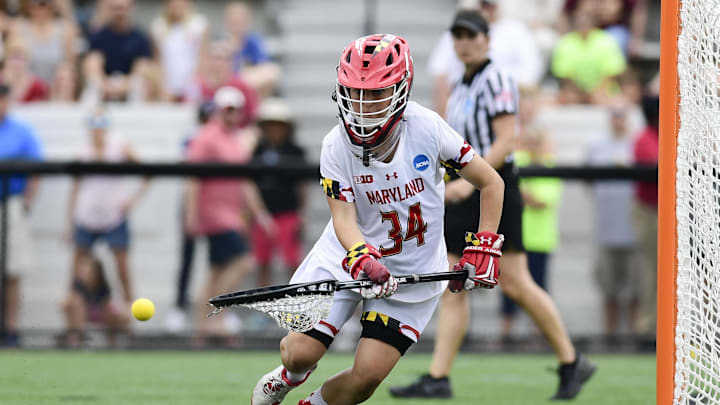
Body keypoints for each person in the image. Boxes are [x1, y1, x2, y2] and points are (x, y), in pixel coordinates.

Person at [251, 33, 505, 405]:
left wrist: (484, 245)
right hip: (348, 257)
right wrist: (362, 256)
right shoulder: (335, 145)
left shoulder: (428, 129)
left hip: (412, 272)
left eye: (374, 94)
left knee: (366, 377)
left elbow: (491, 181)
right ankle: (289, 377)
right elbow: (343, 216)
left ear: (401, 89)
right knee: (299, 353)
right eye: (354, 93)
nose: (362, 105)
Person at [389, 11, 595, 401]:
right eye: (458, 36)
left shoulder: (495, 78)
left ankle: (571, 360)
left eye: (471, 35)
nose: (464, 42)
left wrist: (470, 186)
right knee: (454, 281)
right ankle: (439, 375)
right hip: (469, 188)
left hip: (492, 187)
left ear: (486, 39)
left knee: (515, 283)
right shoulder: (462, 82)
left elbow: (506, 139)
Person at [185, 86, 271, 342]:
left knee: (217, 269)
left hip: (231, 214)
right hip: (214, 214)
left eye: (235, 109)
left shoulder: (234, 139)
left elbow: (244, 181)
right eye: (227, 109)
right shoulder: (207, 136)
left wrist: (260, 213)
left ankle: (203, 326)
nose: (231, 114)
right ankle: (215, 316)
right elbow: (193, 177)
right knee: (242, 261)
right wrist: (191, 215)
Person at [66, 108, 150, 304]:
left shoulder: (119, 146)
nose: (98, 130)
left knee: (122, 269)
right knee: (77, 272)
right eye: (94, 125)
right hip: (86, 216)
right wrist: (69, 223)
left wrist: (133, 200)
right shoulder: (83, 152)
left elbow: (147, 172)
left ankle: (129, 319)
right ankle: (73, 323)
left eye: (102, 125)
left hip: (114, 217)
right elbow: (75, 189)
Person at [500, 86, 563, 338]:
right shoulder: (517, 154)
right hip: (515, 233)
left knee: (536, 286)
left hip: (537, 237)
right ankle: (509, 334)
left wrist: (517, 193)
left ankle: (541, 335)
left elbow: (542, 200)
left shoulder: (544, 161)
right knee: (510, 288)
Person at [585, 104, 638, 337]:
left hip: (634, 229)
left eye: (622, 116)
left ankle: (635, 335)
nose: (619, 121)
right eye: (615, 116)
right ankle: (611, 336)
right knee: (609, 290)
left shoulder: (637, 144)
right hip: (606, 229)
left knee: (636, 290)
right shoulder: (596, 147)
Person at [165, 101, 214, 334]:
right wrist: (190, 212)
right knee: (187, 257)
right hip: (194, 202)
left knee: (218, 259)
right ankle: (180, 306)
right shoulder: (194, 138)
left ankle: (216, 309)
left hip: (215, 204)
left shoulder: (221, 137)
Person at [0, 82, 42, 347]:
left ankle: (11, 329)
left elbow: (37, 170)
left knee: (13, 269)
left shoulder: (22, 132)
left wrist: (27, 203)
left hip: (11, 204)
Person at [250, 98, 307, 287]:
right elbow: (251, 183)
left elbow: (302, 185)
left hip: (288, 213)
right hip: (264, 215)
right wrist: (259, 214)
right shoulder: (257, 151)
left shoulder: (295, 152)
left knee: (292, 261)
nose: (275, 130)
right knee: (263, 262)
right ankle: (263, 307)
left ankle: (298, 302)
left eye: (279, 125)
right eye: (271, 125)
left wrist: (300, 213)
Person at [82, 0, 153, 102]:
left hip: (129, 85)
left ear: (131, 8)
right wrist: (105, 86)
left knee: (140, 86)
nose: (119, 12)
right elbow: (92, 67)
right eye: (116, 8)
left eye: (122, 8)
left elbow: (141, 70)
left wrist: (123, 87)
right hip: (104, 84)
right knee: (91, 89)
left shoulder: (140, 38)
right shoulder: (98, 37)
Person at [60, 254, 130, 348]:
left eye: (88, 270)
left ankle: (112, 343)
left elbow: (107, 305)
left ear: (97, 272)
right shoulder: (77, 285)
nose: (84, 272)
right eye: (83, 269)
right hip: (81, 314)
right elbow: (66, 303)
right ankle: (74, 341)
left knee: (121, 314)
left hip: (101, 314)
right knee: (75, 304)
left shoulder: (103, 286)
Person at [632, 94, 659, 336]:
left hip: (667, 212)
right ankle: (648, 328)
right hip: (650, 211)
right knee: (651, 270)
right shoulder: (645, 139)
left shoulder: (661, 136)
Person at [150, 0, 208, 102]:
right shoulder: (159, 26)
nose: (176, 4)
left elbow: (203, 57)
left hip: (192, 82)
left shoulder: (199, 24)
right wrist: (163, 88)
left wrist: (192, 85)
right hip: (167, 85)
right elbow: (158, 61)